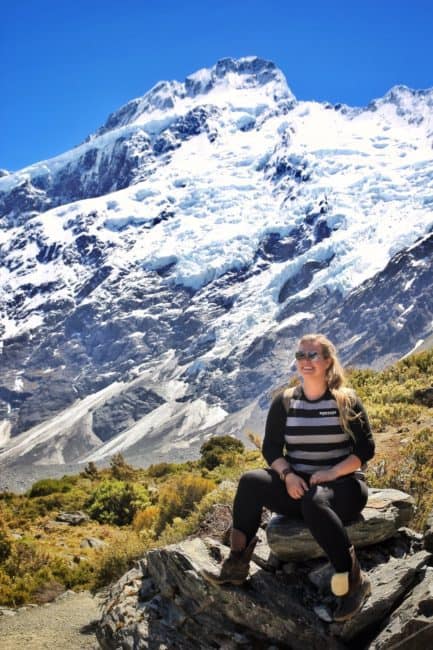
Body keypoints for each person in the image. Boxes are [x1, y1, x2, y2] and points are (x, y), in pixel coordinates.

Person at [203, 333, 375, 622]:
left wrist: (331, 472)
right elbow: (271, 449)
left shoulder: (346, 400)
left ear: (327, 361)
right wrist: (288, 476)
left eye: (312, 355)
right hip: (300, 486)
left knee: (315, 501)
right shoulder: (284, 402)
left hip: (344, 488)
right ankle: (235, 566)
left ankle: (353, 581)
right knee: (250, 482)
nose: (305, 361)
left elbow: (365, 449)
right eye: (300, 355)